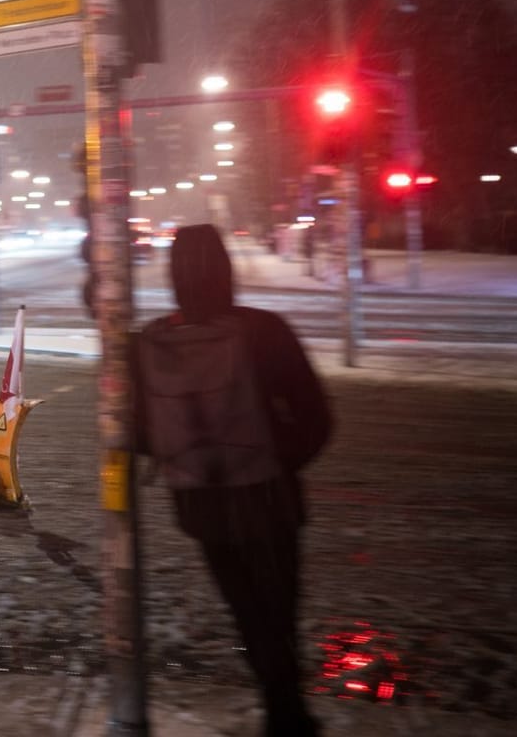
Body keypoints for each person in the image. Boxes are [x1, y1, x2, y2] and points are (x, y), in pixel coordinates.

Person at [133, 224, 333, 737]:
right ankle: (287, 716)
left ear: (173, 275)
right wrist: (276, 458)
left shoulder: (153, 342)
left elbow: (136, 432)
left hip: (201, 504)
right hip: (269, 496)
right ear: (226, 269)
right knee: (279, 612)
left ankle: (281, 709)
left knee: (245, 609)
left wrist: (188, 454)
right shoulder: (265, 329)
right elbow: (317, 417)